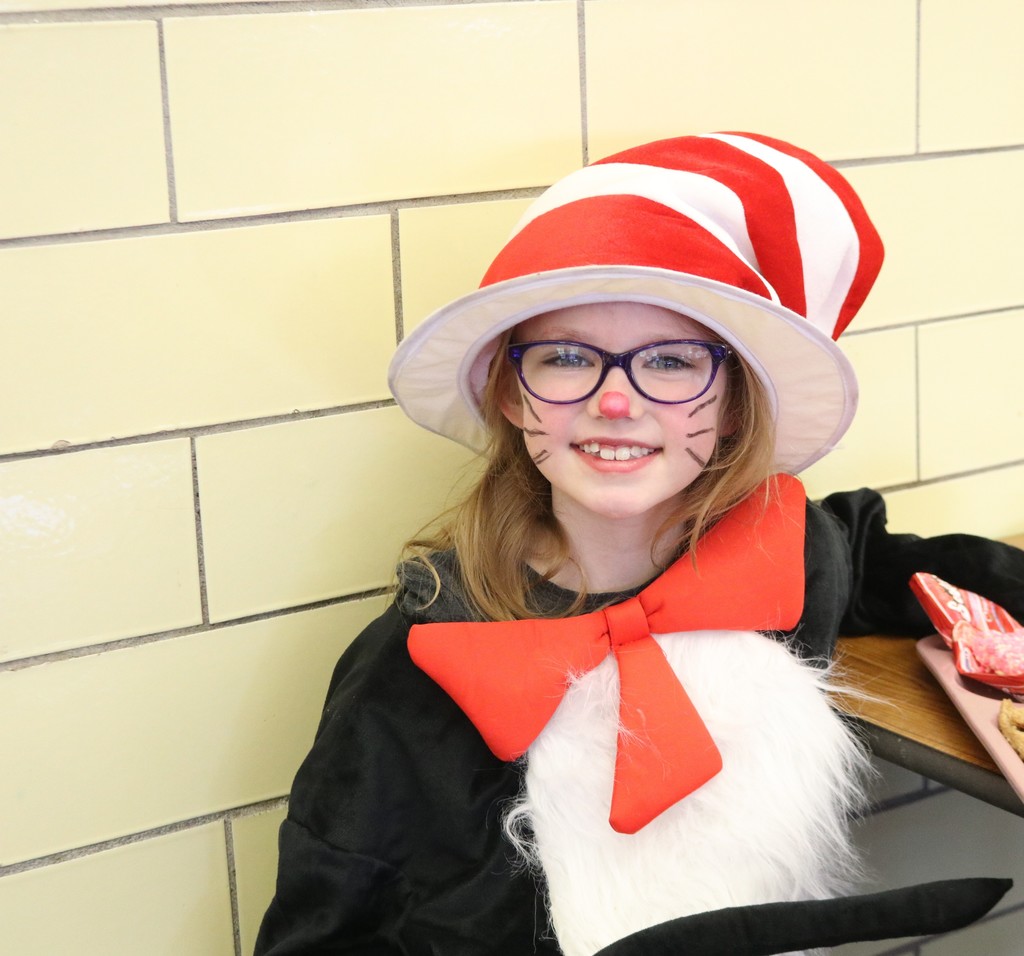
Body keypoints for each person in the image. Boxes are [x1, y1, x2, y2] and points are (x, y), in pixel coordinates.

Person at [255, 133, 1022, 955]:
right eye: (564, 359)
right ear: (512, 395)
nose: (615, 403)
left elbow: (913, 567)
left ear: (732, 405)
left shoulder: (788, 558)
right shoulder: (414, 670)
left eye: (668, 360)